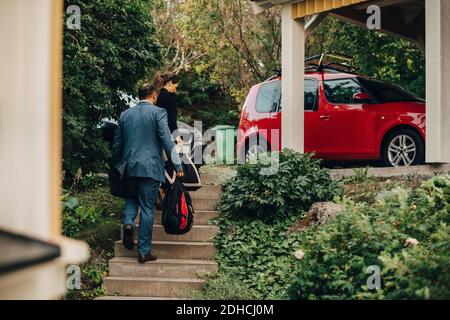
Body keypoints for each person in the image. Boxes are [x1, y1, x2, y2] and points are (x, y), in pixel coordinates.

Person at [111, 82, 184, 263]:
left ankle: (128, 223)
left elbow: (117, 145)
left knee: (130, 198)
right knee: (146, 208)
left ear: (139, 96)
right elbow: (167, 141)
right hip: (150, 167)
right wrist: (178, 166)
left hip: (129, 167)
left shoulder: (125, 115)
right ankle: (144, 251)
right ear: (153, 96)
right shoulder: (158, 113)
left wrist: (116, 166)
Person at [154, 72, 182, 143]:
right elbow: (171, 120)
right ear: (170, 83)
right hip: (166, 135)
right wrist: (177, 139)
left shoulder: (156, 95)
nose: (175, 90)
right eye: (175, 87)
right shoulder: (170, 97)